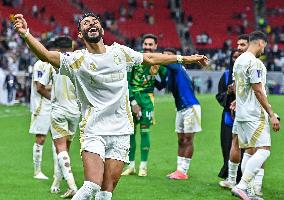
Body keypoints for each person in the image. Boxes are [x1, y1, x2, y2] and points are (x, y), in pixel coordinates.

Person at [13, 13, 208, 200]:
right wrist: (25, 34)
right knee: (91, 186)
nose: (91, 24)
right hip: (93, 130)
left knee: (106, 194)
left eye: (94, 21)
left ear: (102, 30)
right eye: (86, 23)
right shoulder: (76, 60)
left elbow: (150, 58)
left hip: (121, 132)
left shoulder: (120, 52)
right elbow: (46, 55)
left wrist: (185, 59)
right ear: (80, 34)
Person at [231, 31, 280, 199]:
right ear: (260, 43)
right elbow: (258, 90)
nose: (264, 50)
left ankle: (250, 191)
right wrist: (272, 114)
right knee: (264, 150)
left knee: (250, 152)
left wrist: (237, 101)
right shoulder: (255, 62)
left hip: (242, 114)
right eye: (264, 46)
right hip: (254, 114)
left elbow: (238, 86)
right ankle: (242, 186)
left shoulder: (238, 60)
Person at [121, 34, 167, 177]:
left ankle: (143, 167)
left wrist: (165, 75)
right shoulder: (134, 59)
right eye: (145, 44)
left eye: (150, 44)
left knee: (145, 131)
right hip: (132, 98)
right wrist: (133, 102)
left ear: (156, 46)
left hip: (147, 99)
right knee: (131, 132)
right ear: (142, 45)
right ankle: (131, 166)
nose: (147, 47)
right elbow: (126, 83)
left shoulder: (158, 62)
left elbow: (165, 80)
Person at [48, 36, 81, 198]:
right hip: (75, 111)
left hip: (59, 110)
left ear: (58, 48)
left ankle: (72, 186)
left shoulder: (53, 61)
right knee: (65, 149)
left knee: (60, 149)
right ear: (72, 46)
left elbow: (44, 86)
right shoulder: (79, 62)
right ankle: (56, 181)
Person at [162, 48, 202, 180]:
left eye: (169, 56)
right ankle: (179, 170)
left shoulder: (177, 66)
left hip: (191, 106)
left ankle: (184, 171)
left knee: (188, 139)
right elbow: (161, 85)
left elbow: (164, 62)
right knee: (180, 140)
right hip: (180, 108)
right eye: (164, 55)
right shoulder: (171, 71)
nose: (166, 57)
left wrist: (152, 59)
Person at [28, 41, 54, 180]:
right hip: (42, 106)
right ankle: (37, 171)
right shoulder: (40, 64)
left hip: (54, 107)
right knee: (41, 138)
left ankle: (59, 171)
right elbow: (39, 87)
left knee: (58, 139)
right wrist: (55, 89)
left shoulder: (54, 63)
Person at [216, 49, 241, 180]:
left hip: (245, 116)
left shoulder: (248, 74)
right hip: (228, 117)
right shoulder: (226, 75)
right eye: (234, 57)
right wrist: (228, 92)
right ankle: (230, 175)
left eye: (239, 56)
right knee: (227, 146)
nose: (236, 59)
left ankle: (242, 177)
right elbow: (219, 96)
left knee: (244, 147)